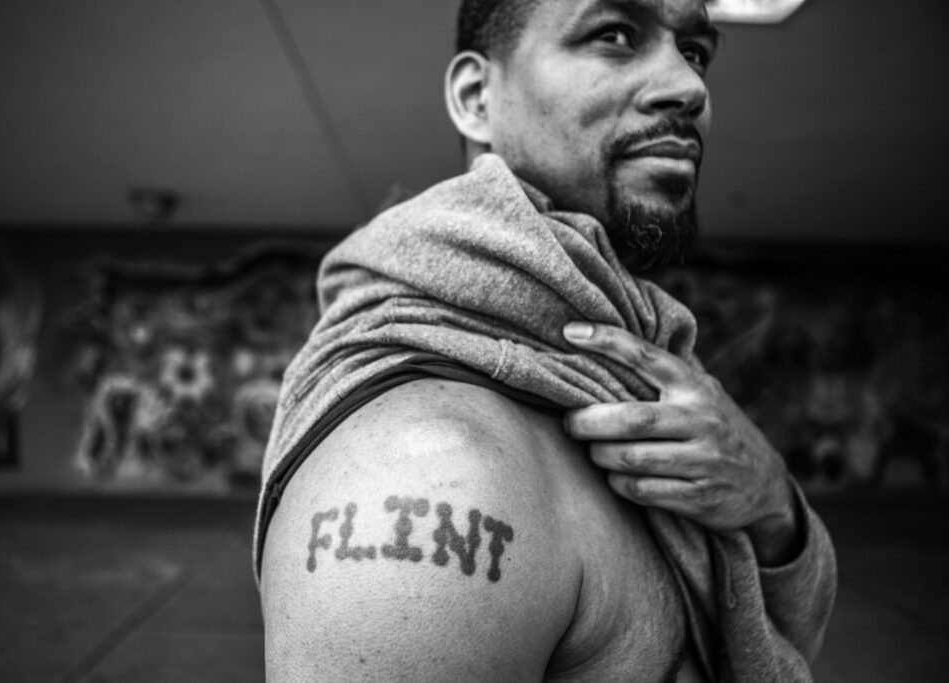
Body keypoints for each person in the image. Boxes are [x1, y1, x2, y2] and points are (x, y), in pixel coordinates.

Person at [255, 1, 837, 680]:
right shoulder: (428, 464)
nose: (690, 87)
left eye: (696, 51)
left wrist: (770, 501)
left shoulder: (648, 373)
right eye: (614, 36)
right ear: (477, 97)